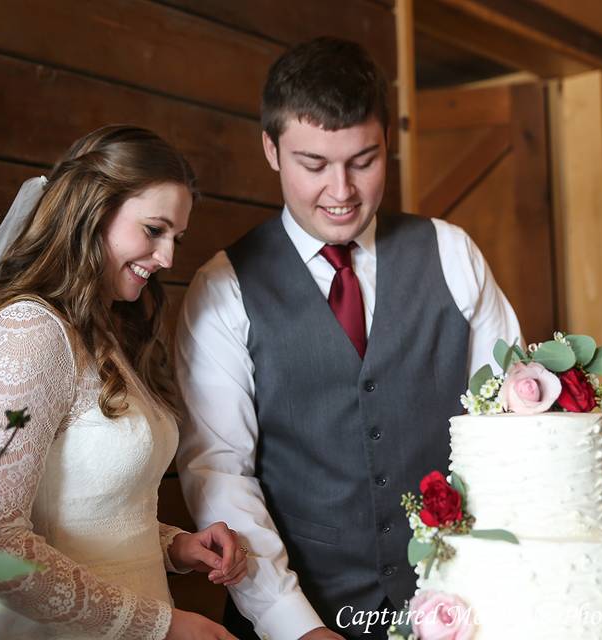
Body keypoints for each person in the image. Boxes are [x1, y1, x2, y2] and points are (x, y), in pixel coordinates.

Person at [176, 38, 522, 640]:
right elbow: (220, 473)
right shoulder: (223, 288)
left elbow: (511, 430)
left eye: (364, 160)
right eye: (314, 165)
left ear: (389, 142)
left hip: (464, 608)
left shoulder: (452, 254)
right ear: (271, 149)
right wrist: (294, 626)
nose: (342, 191)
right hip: (298, 616)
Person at [0, 125, 247, 639]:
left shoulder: (110, 331)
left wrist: (173, 546)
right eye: (154, 230)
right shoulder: (29, 331)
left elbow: (85, 506)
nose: (168, 257)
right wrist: (161, 626)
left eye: (176, 238)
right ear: (94, 210)